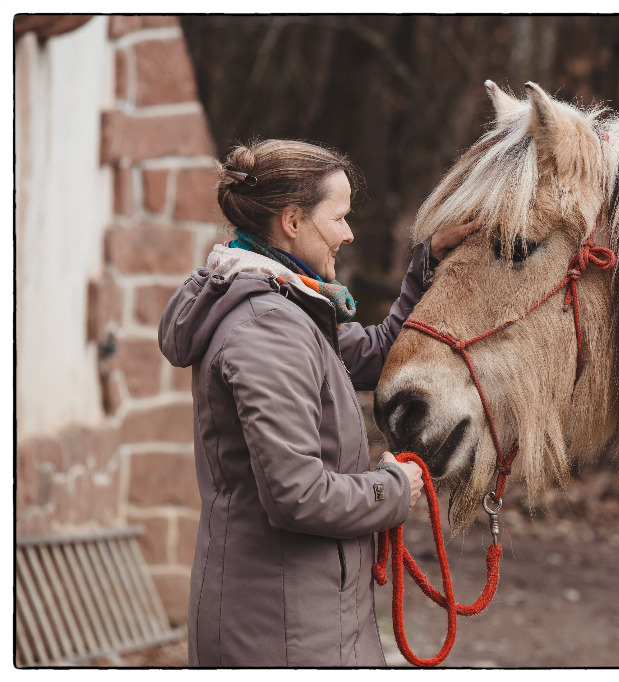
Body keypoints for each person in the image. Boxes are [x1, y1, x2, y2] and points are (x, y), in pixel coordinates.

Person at [158, 139, 476, 667]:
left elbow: (372, 353)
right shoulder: (267, 330)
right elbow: (297, 495)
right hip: (279, 636)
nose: (349, 233)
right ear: (292, 221)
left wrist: (428, 264)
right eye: (339, 217)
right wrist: (393, 489)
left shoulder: (287, 308)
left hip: (300, 621)